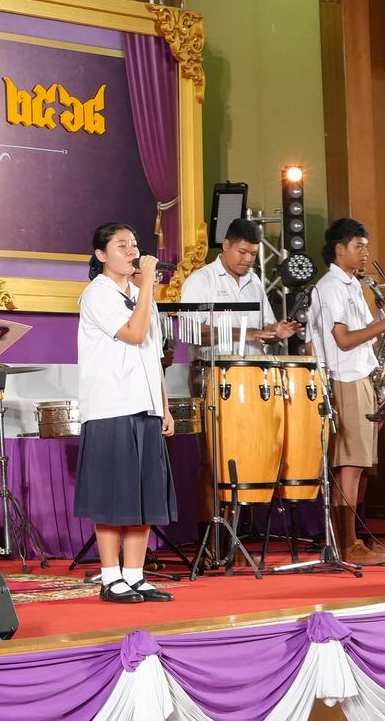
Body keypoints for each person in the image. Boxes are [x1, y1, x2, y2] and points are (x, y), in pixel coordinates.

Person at [73, 222, 176, 603]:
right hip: (110, 407)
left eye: (134, 244)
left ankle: (135, 575)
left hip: (145, 406)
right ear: (101, 255)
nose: (133, 251)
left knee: (143, 495)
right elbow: (134, 334)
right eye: (122, 245)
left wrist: (164, 406)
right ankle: (110, 576)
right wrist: (147, 285)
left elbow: (153, 355)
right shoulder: (97, 294)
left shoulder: (140, 293)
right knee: (112, 495)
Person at [306, 217, 385, 565]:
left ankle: (355, 538)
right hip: (344, 379)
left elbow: (362, 335)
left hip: (361, 376)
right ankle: (346, 544)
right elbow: (343, 340)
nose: (365, 252)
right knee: (349, 464)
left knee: (362, 465)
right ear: (340, 249)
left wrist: (383, 328)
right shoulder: (330, 287)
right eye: (358, 246)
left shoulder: (353, 285)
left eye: (366, 246)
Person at [177, 218, 300, 362]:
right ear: (226, 245)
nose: (248, 259)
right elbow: (190, 332)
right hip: (214, 371)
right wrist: (244, 333)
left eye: (253, 254)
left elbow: (264, 330)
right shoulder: (201, 280)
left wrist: (276, 333)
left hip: (255, 370)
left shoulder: (254, 281)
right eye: (242, 252)